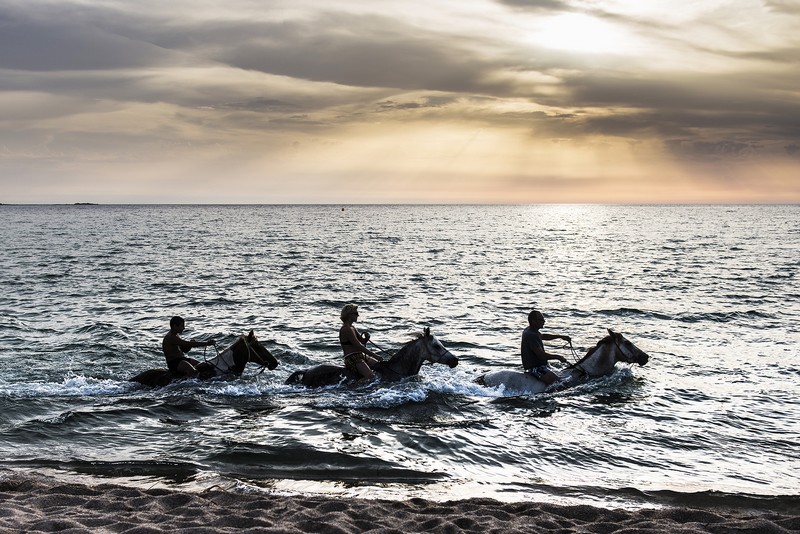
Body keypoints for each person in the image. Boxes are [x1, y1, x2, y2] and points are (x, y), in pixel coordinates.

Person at [521, 310, 571, 385]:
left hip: (542, 365)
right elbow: (541, 355)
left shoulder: (532, 331)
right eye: (541, 320)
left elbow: (543, 336)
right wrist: (558, 357)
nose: (544, 321)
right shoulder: (531, 335)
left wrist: (560, 337)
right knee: (560, 384)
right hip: (536, 368)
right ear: (534, 321)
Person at [339, 303, 381, 381]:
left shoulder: (352, 327)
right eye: (356, 313)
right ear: (349, 315)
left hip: (360, 355)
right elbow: (359, 346)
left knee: (379, 366)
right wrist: (375, 355)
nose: (358, 315)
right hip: (352, 358)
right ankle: (355, 389)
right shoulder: (346, 329)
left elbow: (362, 341)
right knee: (369, 376)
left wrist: (366, 338)